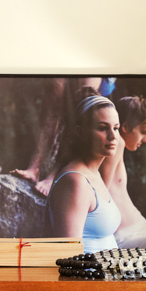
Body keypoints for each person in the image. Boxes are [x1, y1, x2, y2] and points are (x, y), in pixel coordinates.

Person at [47, 91, 122, 253]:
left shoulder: (94, 174)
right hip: (89, 277)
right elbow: (68, 256)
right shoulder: (75, 182)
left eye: (116, 128)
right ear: (80, 132)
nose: (112, 136)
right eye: (103, 128)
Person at [101, 95, 146, 248]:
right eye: (143, 132)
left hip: (138, 229)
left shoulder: (118, 145)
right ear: (125, 127)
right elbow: (100, 194)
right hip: (127, 235)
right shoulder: (117, 142)